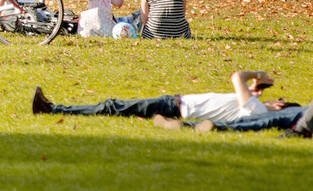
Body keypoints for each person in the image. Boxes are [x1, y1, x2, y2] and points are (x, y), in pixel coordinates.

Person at [31, 69, 279, 127]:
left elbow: (238, 77)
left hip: (174, 108)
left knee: (112, 107)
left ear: (278, 106)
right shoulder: (252, 107)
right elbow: (251, 91)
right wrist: (260, 86)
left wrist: (256, 74)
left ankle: (52, 109)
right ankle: (52, 108)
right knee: (114, 107)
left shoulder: (255, 111)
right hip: (174, 104)